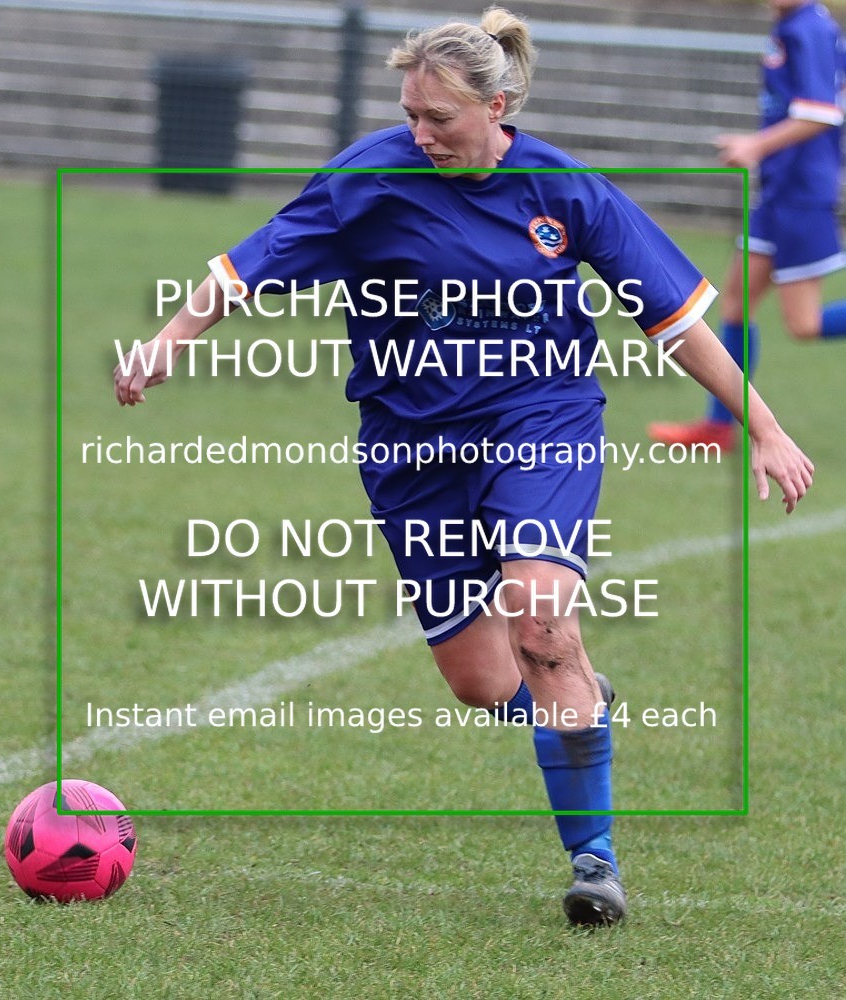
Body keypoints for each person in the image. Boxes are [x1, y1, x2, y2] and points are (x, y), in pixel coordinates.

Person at [114, 8, 814, 927]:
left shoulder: (565, 192)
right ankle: (577, 705)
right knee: (482, 682)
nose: (421, 133)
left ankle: (594, 862)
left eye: (439, 118)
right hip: (411, 447)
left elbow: (674, 320)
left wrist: (762, 426)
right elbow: (248, 266)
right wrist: (170, 339)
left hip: (541, 419)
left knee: (541, 620)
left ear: (498, 106)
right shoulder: (369, 178)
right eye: (411, 113)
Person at [649, 0, 846, 452]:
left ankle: (721, 424)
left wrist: (756, 145)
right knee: (736, 304)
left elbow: (821, 112)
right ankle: (720, 425)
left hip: (800, 193)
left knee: (804, 324)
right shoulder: (799, 23)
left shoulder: (808, 28)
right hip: (778, 189)